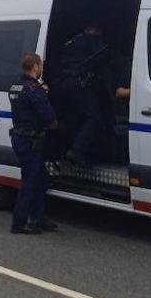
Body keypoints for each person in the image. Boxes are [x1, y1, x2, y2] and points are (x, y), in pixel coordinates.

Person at [9, 53, 59, 235]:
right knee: (30, 182)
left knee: (41, 178)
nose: (41, 69)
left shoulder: (16, 87)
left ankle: (38, 217)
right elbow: (49, 118)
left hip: (20, 138)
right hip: (30, 141)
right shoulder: (35, 90)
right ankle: (19, 222)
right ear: (36, 67)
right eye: (40, 66)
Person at [56, 22, 109, 165]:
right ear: (88, 28)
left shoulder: (72, 41)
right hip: (77, 84)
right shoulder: (90, 41)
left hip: (64, 84)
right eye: (96, 29)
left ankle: (66, 151)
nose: (98, 32)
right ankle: (75, 151)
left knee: (75, 118)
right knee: (95, 118)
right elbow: (101, 57)